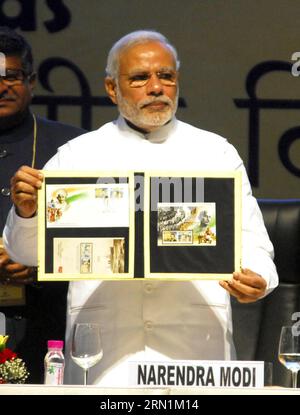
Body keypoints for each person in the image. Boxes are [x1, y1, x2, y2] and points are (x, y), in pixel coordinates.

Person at [3, 30, 278, 386]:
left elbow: (253, 242)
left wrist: (258, 278)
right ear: (112, 89)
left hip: (195, 347)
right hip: (105, 351)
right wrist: (27, 213)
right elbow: (27, 253)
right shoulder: (78, 155)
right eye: (139, 78)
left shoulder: (215, 152)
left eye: (166, 76)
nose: (156, 87)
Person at [0, 26, 85, 383]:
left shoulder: (73, 147)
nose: (2, 86)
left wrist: (36, 263)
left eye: (13, 76)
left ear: (32, 81)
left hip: (45, 318)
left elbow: (92, 238)